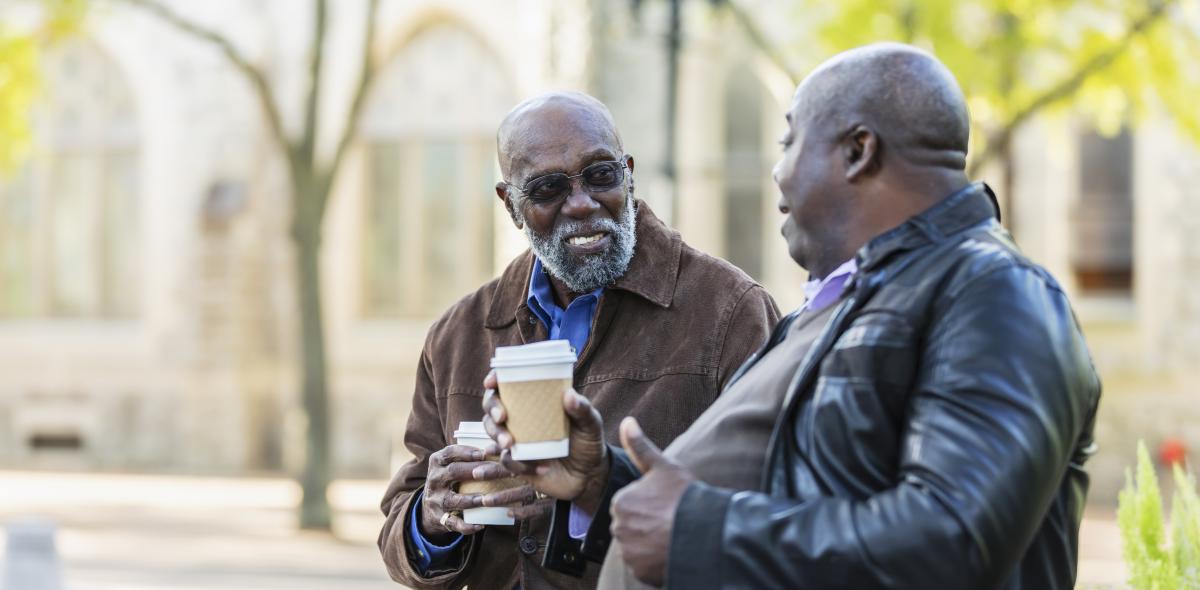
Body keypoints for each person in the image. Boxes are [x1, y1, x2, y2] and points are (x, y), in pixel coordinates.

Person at [480, 43, 1101, 589]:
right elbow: (791, 494)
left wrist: (704, 530)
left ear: (859, 151)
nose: (775, 170)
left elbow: (955, 541)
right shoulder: (843, 303)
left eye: (788, 141)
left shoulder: (995, 295)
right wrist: (603, 482)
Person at [377, 91, 780, 590]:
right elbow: (402, 521)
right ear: (511, 206)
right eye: (547, 188)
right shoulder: (457, 333)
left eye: (601, 174)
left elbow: (769, 512)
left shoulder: (729, 309)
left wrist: (602, 487)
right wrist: (431, 519)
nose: (582, 202)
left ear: (629, 174)